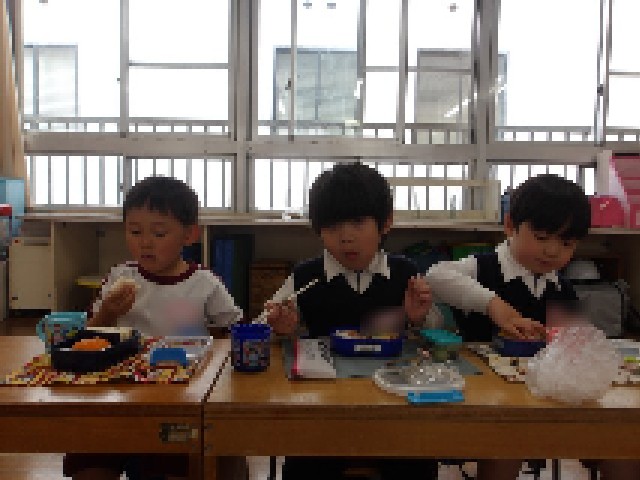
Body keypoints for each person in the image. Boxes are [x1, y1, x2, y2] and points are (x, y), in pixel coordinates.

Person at [426, 173, 640, 480]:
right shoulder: (484, 268)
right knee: (509, 443)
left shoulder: (560, 288)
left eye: (566, 243)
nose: (552, 251)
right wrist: (493, 306)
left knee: (622, 442)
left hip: (545, 399)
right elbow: (435, 275)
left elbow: (573, 342)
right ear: (510, 225)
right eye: (541, 237)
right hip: (489, 402)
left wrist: (573, 341)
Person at [63, 175, 244, 480]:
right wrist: (108, 312)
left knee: (175, 463)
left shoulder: (205, 284)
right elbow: (89, 336)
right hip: (119, 396)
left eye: (159, 233)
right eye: (135, 232)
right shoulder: (120, 277)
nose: (145, 242)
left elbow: (235, 331)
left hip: (178, 399)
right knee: (89, 463)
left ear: (190, 235)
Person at [264, 162, 435, 480]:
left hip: (394, 405)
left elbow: (433, 340)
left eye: (357, 223)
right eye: (332, 226)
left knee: (418, 461)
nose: (345, 238)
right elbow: (266, 327)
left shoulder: (404, 273)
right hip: (323, 409)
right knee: (304, 468)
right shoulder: (306, 276)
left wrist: (416, 320)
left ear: (386, 222)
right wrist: (285, 329)